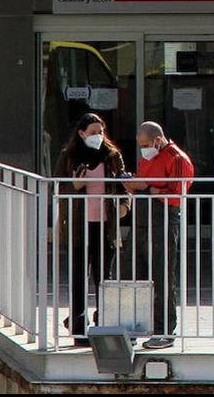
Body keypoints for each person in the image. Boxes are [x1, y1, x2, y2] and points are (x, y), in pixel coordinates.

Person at [53, 112, 129, 347]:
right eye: (94, 132)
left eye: (101, 132)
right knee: (79, 278)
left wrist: (125, 205)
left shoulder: (112, 156)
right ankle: (78, 327)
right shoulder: (69, 156)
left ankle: (104, 324)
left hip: (106, 226)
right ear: (81, 133)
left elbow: (122, 185)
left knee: (104, 277)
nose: (98, 136)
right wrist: (74, 186)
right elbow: (56, 187)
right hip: (78, 226)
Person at [120, 121, 194, 350]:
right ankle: (132, 327)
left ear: (158, 140)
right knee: (131, 273)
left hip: (163, 219)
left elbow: (179, 192)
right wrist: (132, 185)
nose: (144, 149)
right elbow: (145, 181)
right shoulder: (148, 157)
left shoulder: (177, 158)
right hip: (141, 219)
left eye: (146, 144)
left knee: (162, 276)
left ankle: (164, 330)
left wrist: (150, 188)